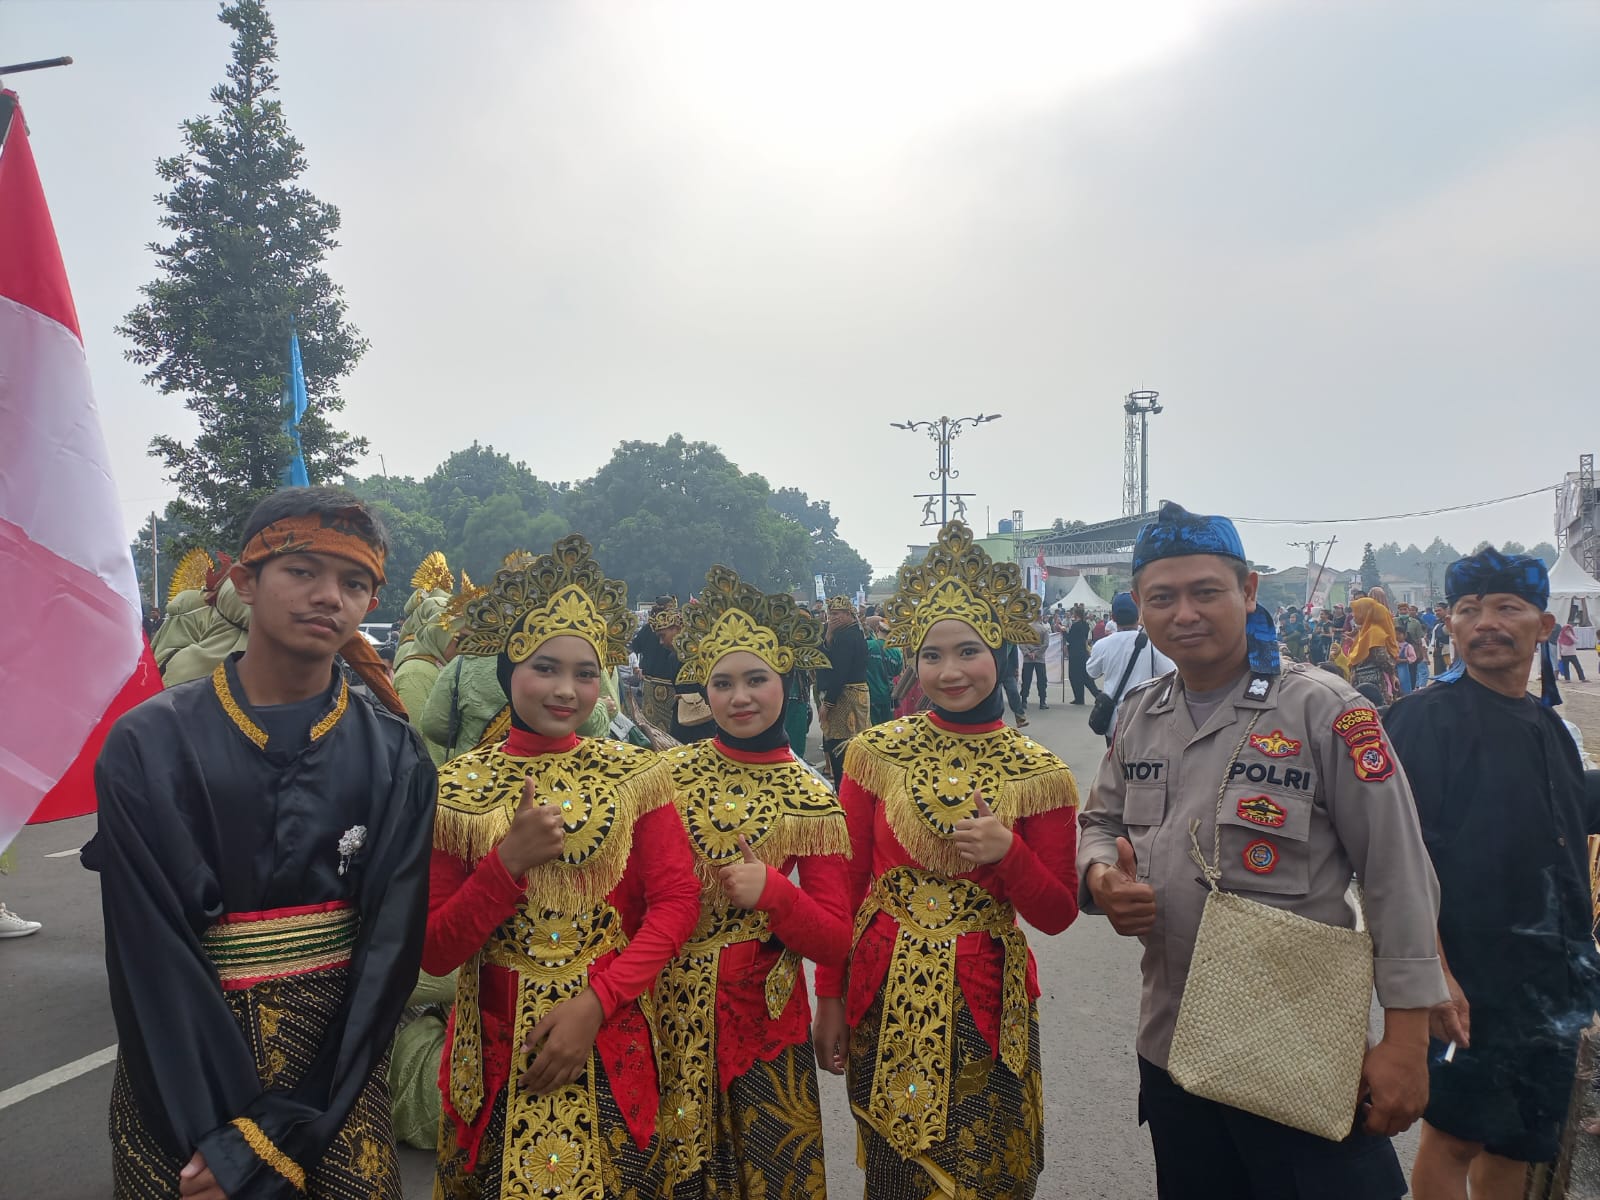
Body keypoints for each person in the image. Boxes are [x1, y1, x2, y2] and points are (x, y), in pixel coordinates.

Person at [1078, 501, 1448, 1200]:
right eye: (1162, 598)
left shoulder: (1325, 710)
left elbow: (1397, 872)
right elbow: (1099, 820)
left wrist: (1406, 1039)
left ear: (1247, 592)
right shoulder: (1141, 714)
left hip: (1296, 1045)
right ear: (1142, 607)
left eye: (1205, 592)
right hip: (1172, 1045)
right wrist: (1100, 874)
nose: (1185, 613)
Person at [84, 486, 437, 1199]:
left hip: (335, 1077)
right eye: (302, 571)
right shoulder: (150, 744)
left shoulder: (396, 756)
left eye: (354, 583)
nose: (328, 596)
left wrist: (294, 1125)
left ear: (372, 603)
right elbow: (149, 955)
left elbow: (389, 954)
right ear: (245, 582)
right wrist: (218, 1136)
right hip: (178, 1069)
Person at [426, 534, 700, 1199]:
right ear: (508, 671)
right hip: (495, 1051)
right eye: (545, 668)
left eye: (585, 673)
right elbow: (435, 950)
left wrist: (596, 1004)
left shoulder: (636, 773)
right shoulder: (456, 788)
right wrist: (506, 864)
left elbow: (676, 904)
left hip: (611, 1032)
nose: (566, 690)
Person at [814, 520, 1081, 1199]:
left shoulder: (1039, 772)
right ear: (914, 662)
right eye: (932, 656)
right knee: (896, 1173)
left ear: (1000, 651)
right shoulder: (874, 753)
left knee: (985, 1169)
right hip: (882, 989)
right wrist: (829, 999)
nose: (950, 671)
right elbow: (844, 887)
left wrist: (1009, 854)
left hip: (986, 996)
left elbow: (1057, 913)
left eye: (968, 651)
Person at [1387, 549, 1600, 1200]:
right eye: (1469, 610)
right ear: (1449, 625)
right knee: (1455, 1138)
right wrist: (1435, 975)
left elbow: (1565, 817)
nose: (1486, 623)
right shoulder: (1424, 719)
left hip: (1553, 979)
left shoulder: (1550, 726)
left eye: (1507, 608)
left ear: (1544, 625)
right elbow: (1399, 861)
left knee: (1522, 1141)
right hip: (1470, 977)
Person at [655, 568, 852, 1196]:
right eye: (723, 683)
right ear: (704, 691)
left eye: (756, 680)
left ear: (786, 683)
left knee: (773, 1177)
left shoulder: (812, 798)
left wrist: (776, 895)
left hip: (763, 1022)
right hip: (662, 1010)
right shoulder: (666, 777)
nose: (740, 697)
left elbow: (835, 938)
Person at [1084, 592, 1175, 744]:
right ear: (1138, 615)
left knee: (1114, 758)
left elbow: (1091, 672)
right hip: (1143, 722)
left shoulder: (1102, 645)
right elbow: (1172, 673)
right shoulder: (1152, 644)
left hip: (1113, 722)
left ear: (1113, 617)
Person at [815, 595, 869, 784]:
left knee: (841, 746)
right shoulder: (848, 632)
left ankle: (844, 789)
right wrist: (829, 635)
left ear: (848, 614)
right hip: (851, 693)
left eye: (837, 613)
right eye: (831, 613)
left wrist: (828, 703)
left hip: (845, 697)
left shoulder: (848, 635)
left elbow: (839, 672)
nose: (833, 617)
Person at [630, 596, 683, 732]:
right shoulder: (673, 634)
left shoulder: (647, 629)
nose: (661, 642)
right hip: (664, 685)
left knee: (654, 728)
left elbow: (635, 647)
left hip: (658, 685)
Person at [1347, 594, 1400, 703]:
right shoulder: (1365, 630)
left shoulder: (1374, 632)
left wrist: (1391, 673)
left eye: (1357, 611)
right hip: (1365, 680)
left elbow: (1381, 658)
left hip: (1374, 682)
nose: (1353, 615)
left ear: (1365, 612)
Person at [863, 614, 905, 726]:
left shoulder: (868, 646)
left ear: (877, 629)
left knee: (872, 728)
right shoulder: (896, 651)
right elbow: (897, 672)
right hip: (887, 696)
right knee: (886, 727)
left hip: (870, 695)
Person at [1064, 604, 1101, 705]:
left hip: (1075, 653)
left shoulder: (1075, 625)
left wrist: (1063, 631)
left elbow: (1070, 638)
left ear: (1076, 614)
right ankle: (1096, 694)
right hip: (1083, 652)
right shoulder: (1086, 625)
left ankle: (1080, 697)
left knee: (1074, 676)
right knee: (1085, 676)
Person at [1020, 614, 1052, 711]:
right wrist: (1037, 653)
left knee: (1026, 680)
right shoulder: (1043, 629)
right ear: (1040, 617)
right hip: (1040, 659)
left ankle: (1024, 701)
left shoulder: (1026, 629)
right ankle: (1042, 701)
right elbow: (1046, 644)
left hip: (1028, 659)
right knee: (1042, 681)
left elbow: (1021, 642)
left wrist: (1028, 653)